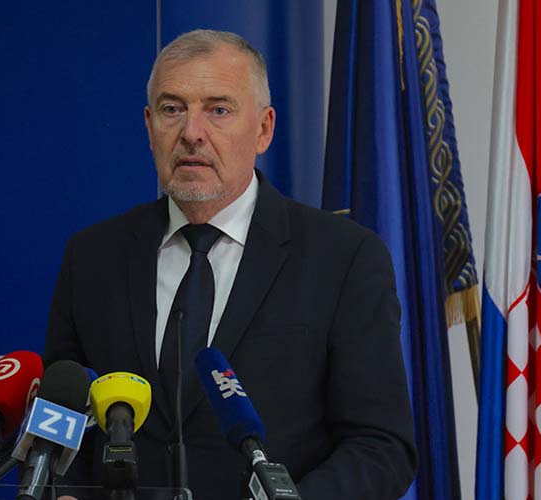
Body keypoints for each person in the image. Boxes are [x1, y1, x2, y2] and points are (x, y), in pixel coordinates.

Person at [43, 29, 417, 499]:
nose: (191, 133)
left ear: (263, 129)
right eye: (172, 109)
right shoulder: (93, 257)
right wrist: (65, 490)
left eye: (218, 110)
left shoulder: (343, 257)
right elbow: (61, 423)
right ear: (149, 126)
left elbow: (381, 447)